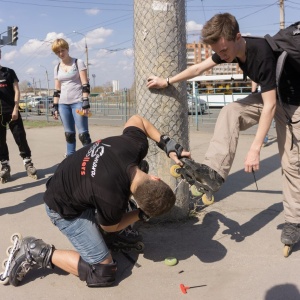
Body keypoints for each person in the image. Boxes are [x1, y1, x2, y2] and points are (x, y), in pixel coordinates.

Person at [147, 13, 300, 249]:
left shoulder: (261, 53)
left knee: (290, 164)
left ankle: (293, 222)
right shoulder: (229, 46)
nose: (224, 55)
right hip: (272, 98)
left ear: (237, 37)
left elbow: (269, 107)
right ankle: (214, 172)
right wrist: (167, 80)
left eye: (225, 50)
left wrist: (255, 149)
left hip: (292, 105)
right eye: (220, 51)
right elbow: (198, 68)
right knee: (231, 111)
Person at [5, 114, 190, 287]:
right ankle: (35, 251)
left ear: (156, 178)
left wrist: (168, 145)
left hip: (71, 181)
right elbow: (112, 225)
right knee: (103, 272)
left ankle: (102, 230)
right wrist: (140, 215)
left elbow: (137, 119)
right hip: (62, 208)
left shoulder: (134, 145)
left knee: (141, 166)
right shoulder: (112, 199)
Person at [0, 49, 37, 183]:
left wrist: (15, 108)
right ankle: (5, 165)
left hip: (12, 111)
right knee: (0, 142)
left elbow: (16, 90)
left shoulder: (9, 72)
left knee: (20, 137)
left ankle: (28, 162)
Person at [51, 38, 92, 157]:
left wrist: (85, 101)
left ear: (67, 49)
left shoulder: (78, 62)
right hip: (63, 104)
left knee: (83, 134)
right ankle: (70, 160)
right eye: (57, 52)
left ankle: (90, 158)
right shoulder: (57, 67)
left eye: (62, 50)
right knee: (69, 134)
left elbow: (85, 84)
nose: (60, 54)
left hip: (78, 102)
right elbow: (57, 89)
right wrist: (55, 106)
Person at [251, 81, 269, 146]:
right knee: (265, 118)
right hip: (267, 92)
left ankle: (263, 139)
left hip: (262, 94)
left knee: (264, 118)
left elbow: (254, 81)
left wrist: (253, 93)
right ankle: (264, 139)